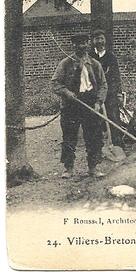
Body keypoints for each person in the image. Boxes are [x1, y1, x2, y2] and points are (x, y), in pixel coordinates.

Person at [52, 33, 107, 178]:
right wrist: (66, 92)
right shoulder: (65, 63)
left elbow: (103, 85)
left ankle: (93, 167)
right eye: (79, 44)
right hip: (71, 105)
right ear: (74, 46)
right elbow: (55, 83)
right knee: (69, 136)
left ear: (89, 44)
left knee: (94, 137)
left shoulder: (95, 65)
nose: (82, 46)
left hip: (90, 103)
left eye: (84, 43)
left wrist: (98, 102)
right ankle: (68, 168)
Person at [89, 30, 126, 151]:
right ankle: (97, 148)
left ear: (105, 40)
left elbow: (116, 76)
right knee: (95, 120)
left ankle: (118, 145)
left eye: (101, 38)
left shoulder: (111, 57)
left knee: (113, 117)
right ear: (93, 41)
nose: (99, 41)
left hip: (110, 93)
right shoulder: (89, 57)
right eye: (97, 39)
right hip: (94, 94)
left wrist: (118, 93)